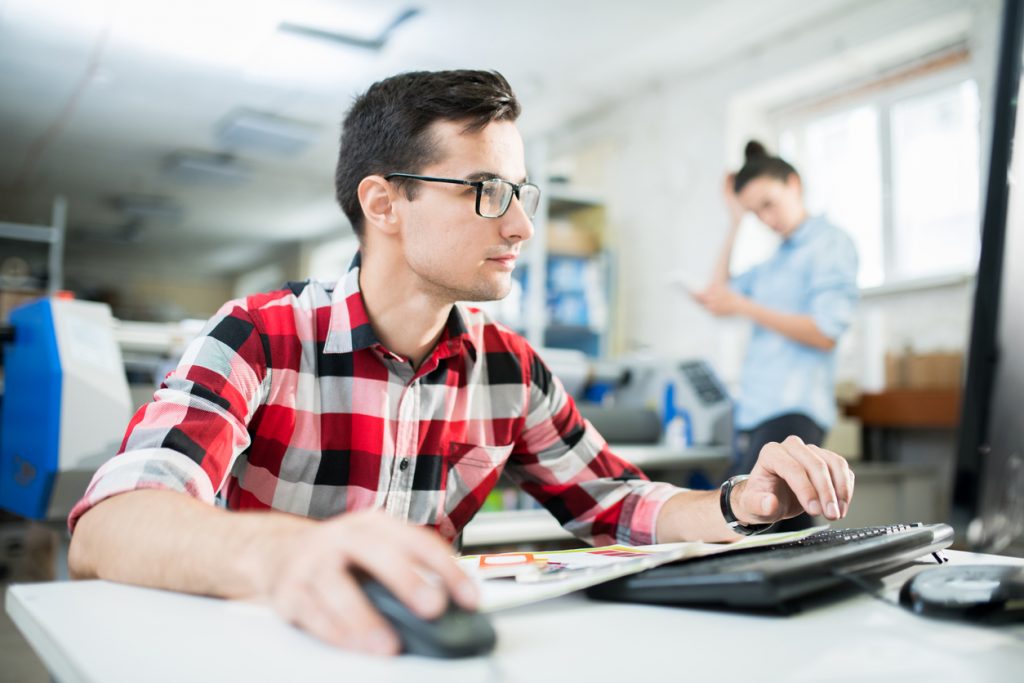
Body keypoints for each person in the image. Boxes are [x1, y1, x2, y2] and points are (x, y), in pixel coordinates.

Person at [68, 73, 856, 656]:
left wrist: (738, 503)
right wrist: (291, 552)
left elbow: (613, 501)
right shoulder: (258, 336)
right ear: (383, 204)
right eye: (484, 190)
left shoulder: (508, 370)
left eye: (520, 191)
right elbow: (111, 524)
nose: (519, 225)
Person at [693, 141, 859, 528]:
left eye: (768, 204)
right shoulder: (774, 262)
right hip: (755, 411)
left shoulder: (828, 244)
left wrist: (746, 308)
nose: (765, 219)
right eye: (755, 213)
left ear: (794, 184)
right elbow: (717, 295)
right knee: (740, 524)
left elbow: (826, 331)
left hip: (794, 409)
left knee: (766, 529)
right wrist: (734, 222)